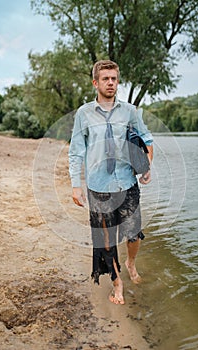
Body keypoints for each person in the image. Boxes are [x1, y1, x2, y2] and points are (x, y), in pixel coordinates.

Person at [69, 60, 153, 305]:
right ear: (96, 83)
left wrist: (147, 167)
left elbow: (147, 139)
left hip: (127, 183)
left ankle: (131, 262)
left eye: (114, 78)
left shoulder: (130, 112)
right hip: (99, 187)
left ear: (118, 81)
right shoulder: (83, 114)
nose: (110, 83)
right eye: (105, 79)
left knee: (134, 235)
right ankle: (118, 283)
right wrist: (76, 184)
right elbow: (76, 151)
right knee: (106, 241)